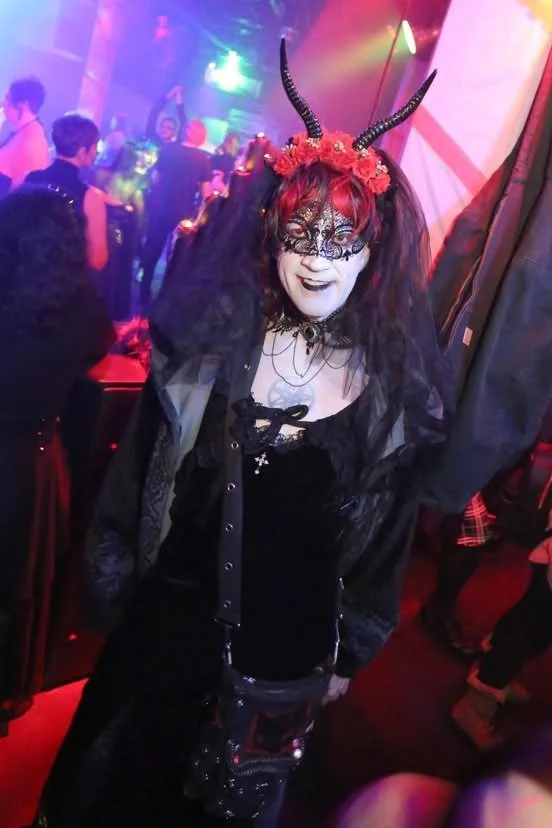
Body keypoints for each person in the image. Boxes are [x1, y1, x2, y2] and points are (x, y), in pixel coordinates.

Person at [33, 40, 447, 828]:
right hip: (164, 638)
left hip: (281, 663)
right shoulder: (206, 351)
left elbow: (381, 549)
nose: (316, 260)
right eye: (301, 234)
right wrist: (120, 597)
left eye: (342, 239)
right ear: (272, 235)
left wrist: (345, 654)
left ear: (373, 253)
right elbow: (130, 491)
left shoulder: (389, 403)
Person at [0, 187, 113, 733]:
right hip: (30, 466)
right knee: (12, 590)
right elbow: (98, 346)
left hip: (22, 459)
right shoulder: (82, 311)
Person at [140, 99, 211, 310]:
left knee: (153, 249)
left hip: (161, 206)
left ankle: (144, 292)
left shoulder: (169, 149)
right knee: (177, 256)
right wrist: (201, 216)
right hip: (183, 211)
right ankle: (166, 297)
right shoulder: (202, 159)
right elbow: (206, 194)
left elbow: (155, 177)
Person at [25, 114, 109, 272]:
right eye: (95, 146)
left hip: (20, 272)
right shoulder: (89, 197)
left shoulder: (29, 178)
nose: (96, 152)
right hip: (57, 280)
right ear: (82, 152)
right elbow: (98, 260)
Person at [0, 76, 49, 194]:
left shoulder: (31, 140)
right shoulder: (27, 131)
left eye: (8, 98)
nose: (3, 103)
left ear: (23, 104)